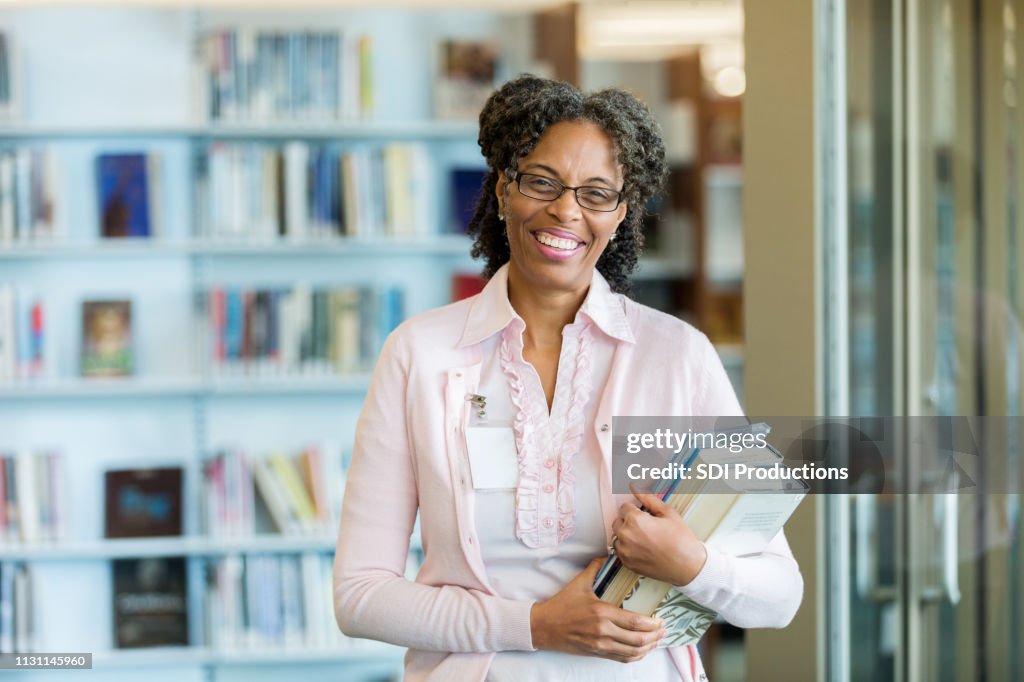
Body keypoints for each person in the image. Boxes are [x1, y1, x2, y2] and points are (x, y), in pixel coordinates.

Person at [333, 74, 803, 682]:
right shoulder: (420, 354)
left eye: (596, 192)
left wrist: (693, 564)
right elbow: (359, 595)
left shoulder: (677, 356)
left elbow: (779, 594)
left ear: (621, 213)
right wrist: (536, 624)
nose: (566, 210)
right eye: (542, 181)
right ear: (504, 189)